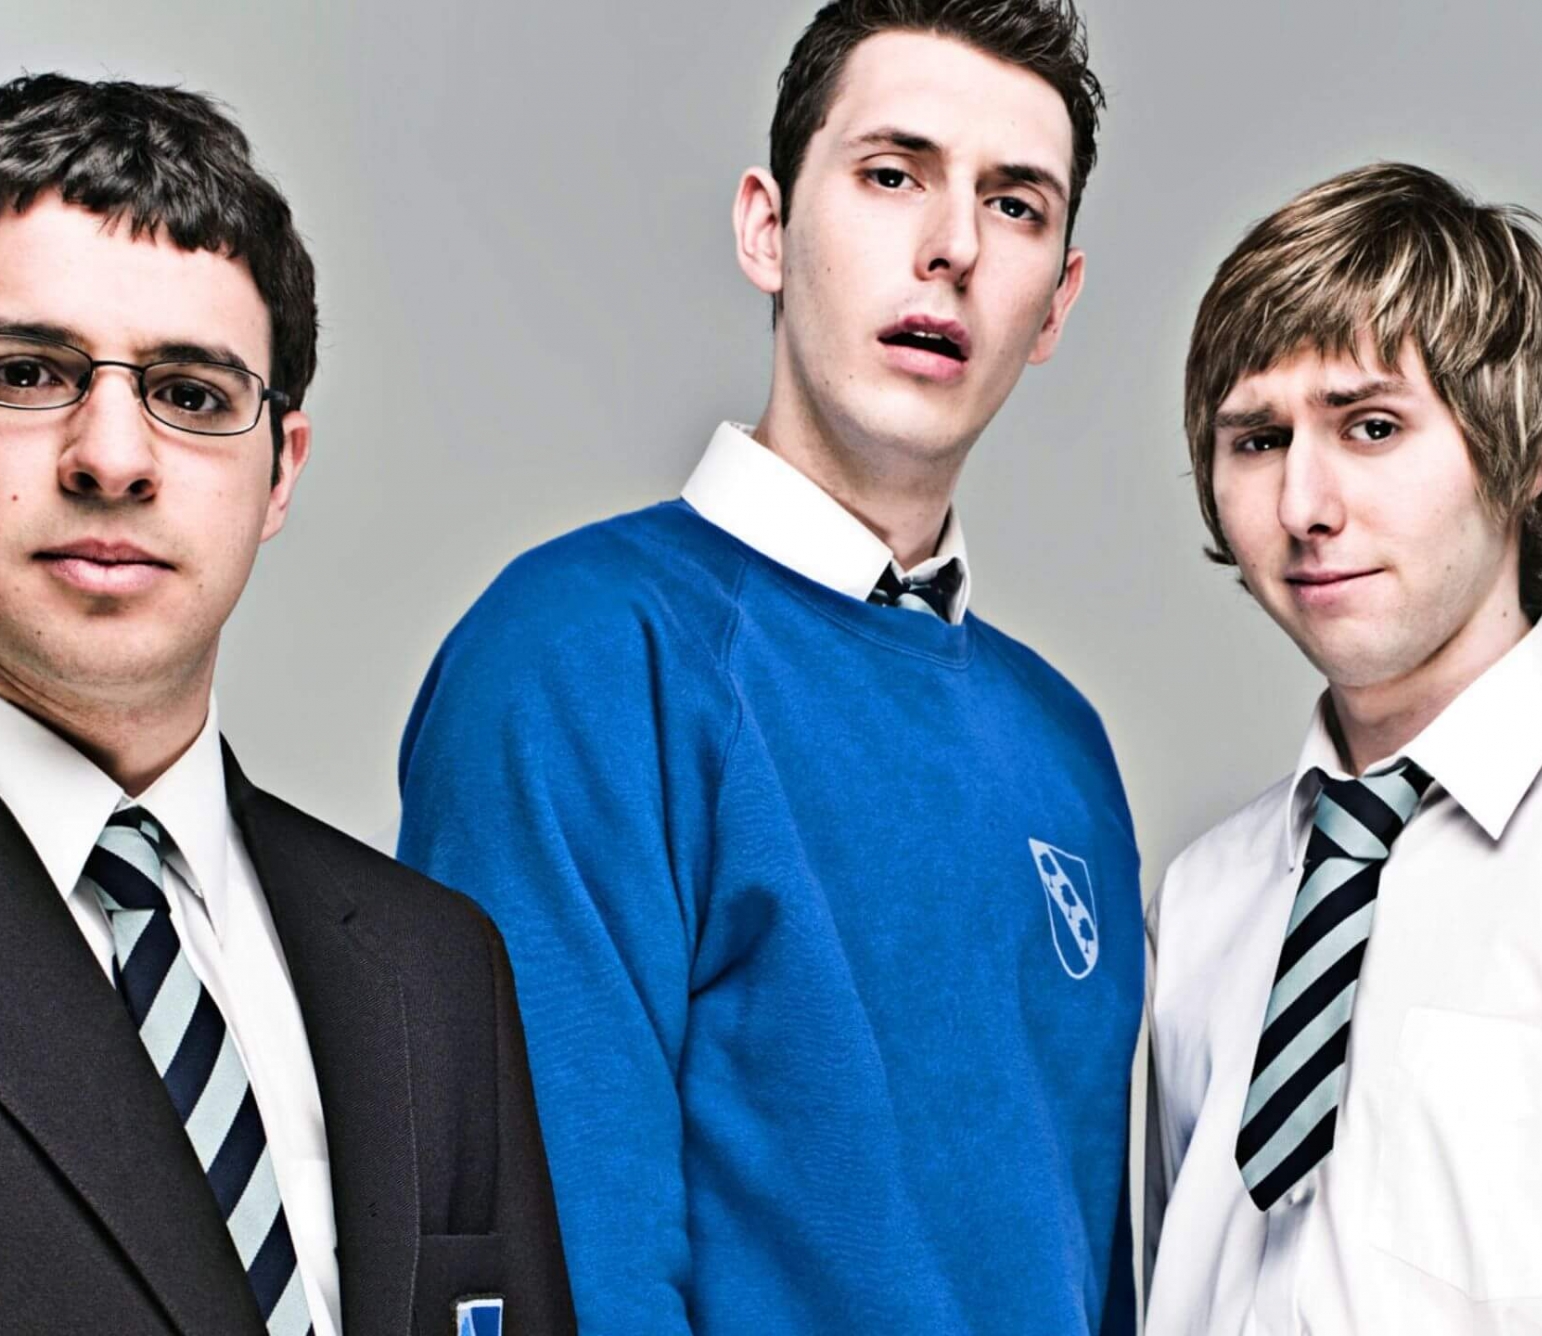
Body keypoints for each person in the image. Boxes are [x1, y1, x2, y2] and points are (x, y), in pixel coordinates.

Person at [395, 1, 1140, 1330]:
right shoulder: (577, 656)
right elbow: (561, 1264)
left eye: (1016, 205)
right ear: (767, 228)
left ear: (1056, 306)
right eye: (893, 174)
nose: (953, 247)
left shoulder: (1063, 748)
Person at [0, 74, 572, 1335]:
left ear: (280, 472)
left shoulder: (432, 965)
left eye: (195, 395)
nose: (113, 455)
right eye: (28, 370)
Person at [1142, 162, 1542, 1335]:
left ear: (1523, 453)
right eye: (1255, 439)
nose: (1302, 504)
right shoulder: (1204, 900)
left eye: (1371, 426)